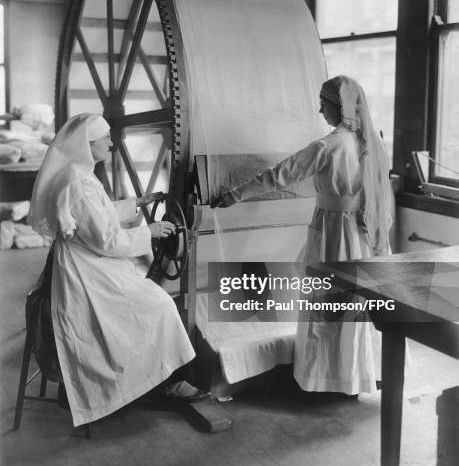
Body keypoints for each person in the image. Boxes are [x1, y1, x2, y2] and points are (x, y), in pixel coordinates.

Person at [212, 75, 392, 395]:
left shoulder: (328, 146)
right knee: (354, 305)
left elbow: (280, 175)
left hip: (335, 235)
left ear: (340, 108)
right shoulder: (371, 143)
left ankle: (327, 378)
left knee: (327, 303)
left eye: (323, 104)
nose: (319, 110)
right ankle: (356, 376)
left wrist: (235, 195)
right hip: (363, 234)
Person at [28, 113, 208, 427]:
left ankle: (158, 379)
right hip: (87, 271)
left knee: (149, 304)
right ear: (88, 143)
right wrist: (149, 232)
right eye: (106, 138)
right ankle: (165, 383)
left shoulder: (78, 174)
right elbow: (107, 241)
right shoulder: (79, 183)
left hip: (86, 262)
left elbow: (99, 214)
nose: (112, 143)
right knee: (160, 305)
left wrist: (138, 202)